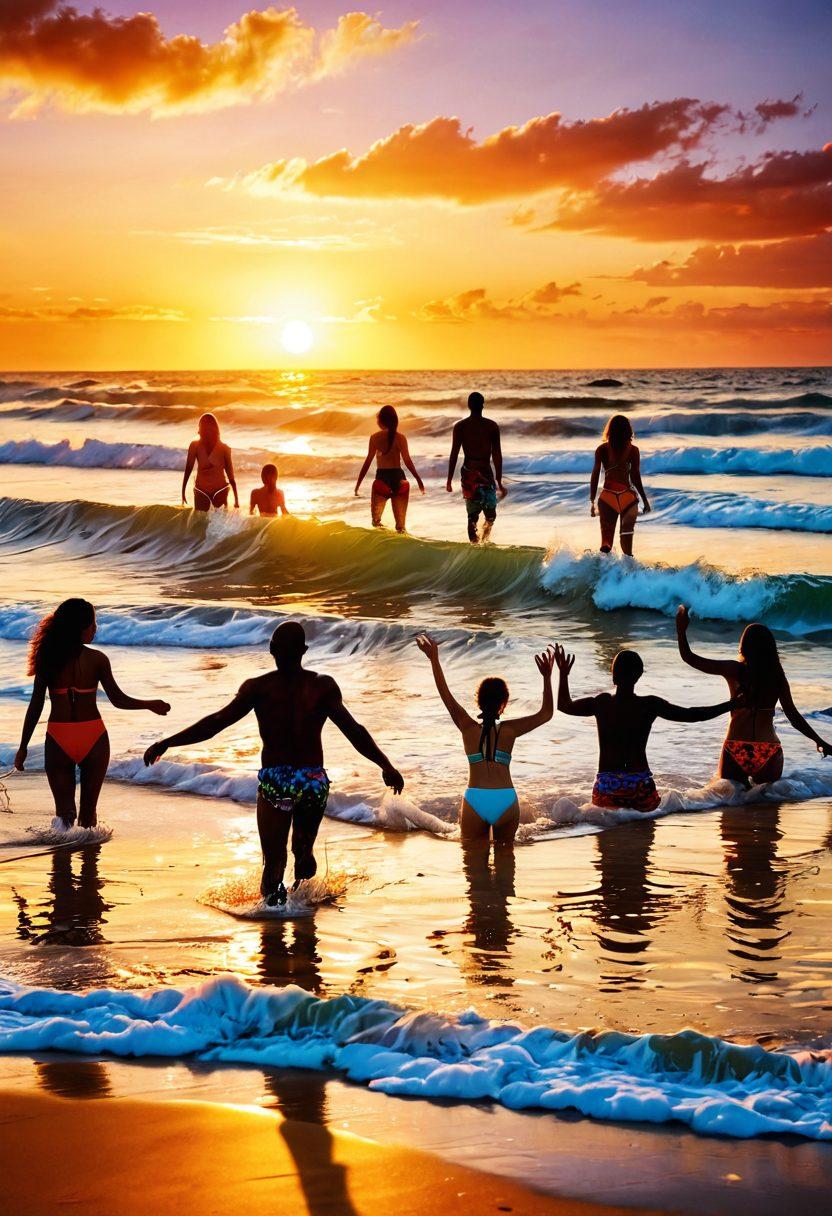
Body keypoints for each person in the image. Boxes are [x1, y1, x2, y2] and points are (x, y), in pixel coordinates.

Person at [143, 621, 404, 907]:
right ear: (304, 650)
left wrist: (168, 742)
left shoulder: (259, 688)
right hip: (312, 779)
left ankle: (275, 916)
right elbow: (354, 730)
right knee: (303, 853)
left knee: (274, 860)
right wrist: (385, 764)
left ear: (271, 649)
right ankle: (304, 904)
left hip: (276, 780)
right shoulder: (322, 686)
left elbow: (216, 723)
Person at [14, 599, 170, 828]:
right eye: (93, 624)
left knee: (65, 816)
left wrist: (23, 747)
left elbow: (35, 706)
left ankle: (63, 858)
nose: (95, 629)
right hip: (94, 737)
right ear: (81, 627)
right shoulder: (97, 659)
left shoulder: (49, 659)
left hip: (59, 737)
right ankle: (89, 860)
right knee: (88, 816)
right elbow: (118, 700)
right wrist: (148, 704)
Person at [553, 643, 735, 812]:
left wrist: (563, 674)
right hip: (639, 787)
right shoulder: (649, 705)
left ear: (613, 675)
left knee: (608, 843)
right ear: (638, 675)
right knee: (642, 841)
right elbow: (692, 715)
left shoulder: (602, 703)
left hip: (607, 787)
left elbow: (564, 705)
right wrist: (730, 705)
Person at [415, 633, 554, 842]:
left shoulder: (467, 727)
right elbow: (546, 713)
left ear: (478, 701)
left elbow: (445, 694)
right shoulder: (510, 730)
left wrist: (434, 659)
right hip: (506, 799)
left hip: (475, 800)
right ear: (504, 703)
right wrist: (546, 677)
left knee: (474, 870)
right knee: (506, 868)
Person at [676, 606, 832, 786]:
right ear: (771, 648)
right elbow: (793, 716)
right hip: (768, 750)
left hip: (735, 748)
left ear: (744, 645)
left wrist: (681, 630)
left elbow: (690, 658)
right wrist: (819, 741)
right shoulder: (777, 677)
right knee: (766, 808)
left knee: (731, 806)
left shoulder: (735, 670)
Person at [446, 391, 506, 544]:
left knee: (475, 516)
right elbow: (497, 455)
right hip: (475, 474)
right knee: (488, 514)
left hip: (475, 474)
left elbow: (454, 454)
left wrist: (449, 480)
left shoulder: (487, 426)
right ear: (483, 405)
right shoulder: (471, 426)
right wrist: (499, 480)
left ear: (468, 406)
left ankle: (481, 543)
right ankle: (479, 543)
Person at [354, 405, 424, 533]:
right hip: (400, 481)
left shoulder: (375, 438)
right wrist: (418, 480)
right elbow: (407, 461)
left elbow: (367, 462)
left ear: (380, 421)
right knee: (401, 528)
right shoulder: (401, 438)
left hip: (382, 481)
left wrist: (358, 484)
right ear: (395, 420)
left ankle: (386, 542)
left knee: (376, 523)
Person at [589, 414, 650, 556]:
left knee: (606, 545)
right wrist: (645, 501)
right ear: (628, 430)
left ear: (609, 430)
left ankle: (603, 574)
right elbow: (635, 477)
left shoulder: (602, 449)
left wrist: (592, 501)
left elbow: (595, 475)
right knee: (627, 547)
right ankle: (629, 574)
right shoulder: (633, 450)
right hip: (627, 498)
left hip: (607, 497)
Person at [182, 413, 239, 512]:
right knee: (200, 521)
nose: (207, 430)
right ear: (200, 429)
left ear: (214, 429)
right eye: (204, 427)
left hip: (220, 490)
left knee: (220, 522)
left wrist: (236, 500)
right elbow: (188, 469)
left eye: (209, 427)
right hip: (201, 490)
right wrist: (183, 491)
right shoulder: (195, 446)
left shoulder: (224, 448)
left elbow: (231, 476)